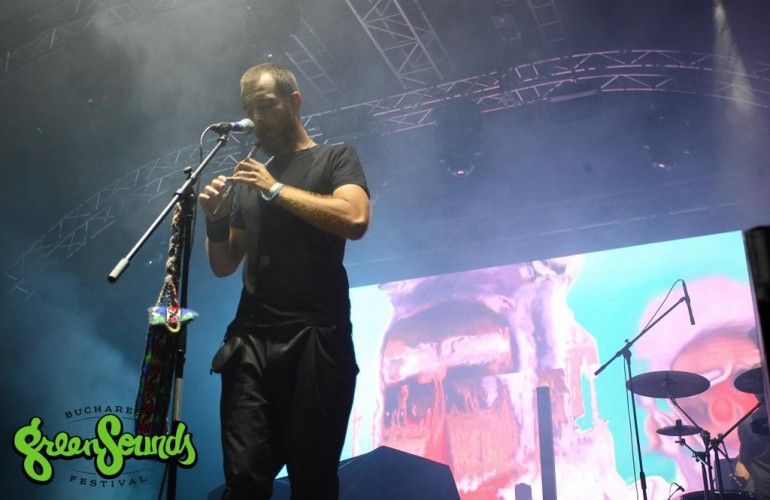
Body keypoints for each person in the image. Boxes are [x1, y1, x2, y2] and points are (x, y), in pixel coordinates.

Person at [198, 62, 370, 500]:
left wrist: (275, 189)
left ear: (294, 102)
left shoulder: (335, 158)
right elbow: (225, 264)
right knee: (243, 481)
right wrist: (214, 222)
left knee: (312, 480)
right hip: (251, 341)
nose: (256, 117)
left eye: (266, 105)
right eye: (249, 109)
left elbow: (354, 218)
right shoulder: (250, 178)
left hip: (316, 336)